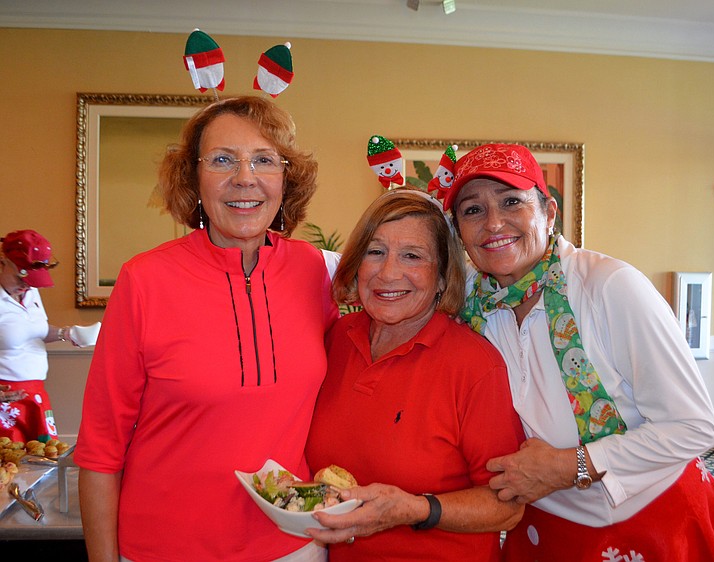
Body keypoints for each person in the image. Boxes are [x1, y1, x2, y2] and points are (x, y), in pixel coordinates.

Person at [442, 143, 714, 561]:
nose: (493, 223)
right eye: (473, 210)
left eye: (511, 201)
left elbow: (692, 426)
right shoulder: (470, 307)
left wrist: (569, 466)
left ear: (549, 213)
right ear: (459, 231)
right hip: (543, 527)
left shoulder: (610, 286)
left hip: (652, 519)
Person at [75, 96, 339, 562]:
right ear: (193, 179)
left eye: (264, 160)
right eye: (222, 160)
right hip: (163, 548)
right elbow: (100, 449)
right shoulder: (144, 281)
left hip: (291, 545)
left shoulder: (315, 272)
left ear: (286, 179)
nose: (245, 177)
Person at [305, 190, 525, 561]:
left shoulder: (475, 366)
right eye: (375, 252)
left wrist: (417, 509)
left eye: (412, 256)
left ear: (442, 277)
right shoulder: (335, 339)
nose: (388, 273)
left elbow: (508, 507)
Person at [1, 229, 74, 442]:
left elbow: (33, 332)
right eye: (21, 277)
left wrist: (66, 333)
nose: (26, 285)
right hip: (4, 399)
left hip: (36, 393)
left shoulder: (29, 291)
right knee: (10, 460)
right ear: (3, 262)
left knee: (42, 457)